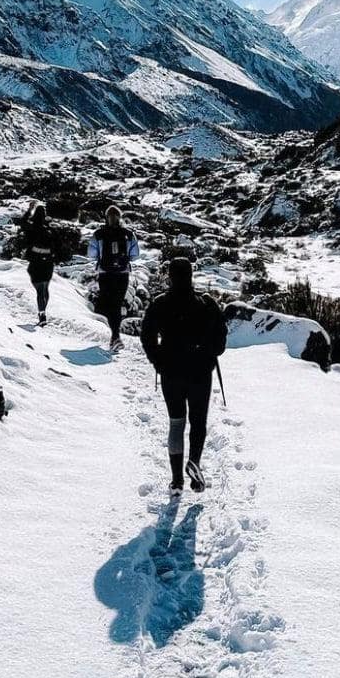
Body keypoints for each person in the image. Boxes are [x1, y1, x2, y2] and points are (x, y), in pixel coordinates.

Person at [140, 256, 227, 494]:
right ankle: (194, 464)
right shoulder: (206, 304)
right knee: (198, 422)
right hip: (199, 372)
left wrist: (157, 360)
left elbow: (146, 337)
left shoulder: (160, 304)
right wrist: (208, 355)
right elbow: (220, 339)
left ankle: (176, 480)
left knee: (176, 423)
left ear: (169, 276)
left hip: (171, 372)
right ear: (191, 276)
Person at [88, 205, 139, 349]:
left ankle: (109, 334)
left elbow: (91, 254)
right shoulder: (129, 234)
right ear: (120, 217)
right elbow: (135, 255)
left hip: (105, 273)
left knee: (106, 302)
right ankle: (115, 336)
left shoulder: (98, 234)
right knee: (117, 304)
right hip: (122, 273)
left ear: (106, 217)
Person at [15, 199, 56, 325]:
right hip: (48, 261)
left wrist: (29, 210)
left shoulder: (32, 227)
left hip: (35, 261)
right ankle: (43, 310)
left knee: (39, 289)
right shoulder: (49, 228)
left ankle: (42, 313)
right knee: (45, 287)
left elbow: (22, 222)